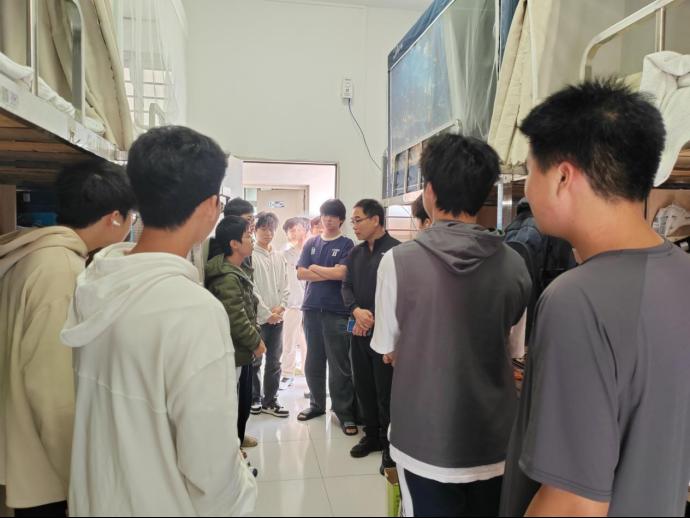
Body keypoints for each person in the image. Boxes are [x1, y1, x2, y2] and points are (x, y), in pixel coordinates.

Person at [500, 80, 690, 517]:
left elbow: (573, 504)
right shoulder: (682, 273)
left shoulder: (576, 301)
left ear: (563, 177)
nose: (527, 189)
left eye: (531, 171)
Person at [60, 126, 258, 516]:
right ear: (209, 206)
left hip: (99, 499)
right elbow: (211, 469)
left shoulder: (96, 282)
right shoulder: (193, 310)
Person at [371, 134, 531, 517]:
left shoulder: (397, 262)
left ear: (429, 191)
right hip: (493, 439)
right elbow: (514, 350)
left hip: (422, 438)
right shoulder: (515, 264)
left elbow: (387, 347)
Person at [0, 160, 136, 518]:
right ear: (115, 218)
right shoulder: (61, 271)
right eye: (131, 216)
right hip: (45, 468)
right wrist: (79, 478)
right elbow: (51, 389)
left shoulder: (34, 253)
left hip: (28, 452)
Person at [342, 199, 400, 475]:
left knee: (385, 391)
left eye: (358, 220)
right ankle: (372, 436)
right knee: (363, 386)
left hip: (385, 335)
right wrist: (356, 311)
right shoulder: (355, 253)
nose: (353, 226)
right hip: (359, 331)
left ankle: (389, 445)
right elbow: (346, 286)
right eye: (352, 221)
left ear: (375, 220)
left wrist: (372, 316)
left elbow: (400, 294)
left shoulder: (398, 252)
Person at [205, 216, 267, 449]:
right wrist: (256, 342)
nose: (252, 240)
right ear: (234, 244)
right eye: (247, 236)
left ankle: (236, 441)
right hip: (233, 349)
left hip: (240, 349)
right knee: (231, 402)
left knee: (240, 399)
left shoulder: (238, 269)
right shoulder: (227, 277)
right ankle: (230, 448)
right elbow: (236, 318)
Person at [296, 200, 357, 436]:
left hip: (336, 311)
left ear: (341, 220)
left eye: (333, 216)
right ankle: (316, 405)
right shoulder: (311, 242)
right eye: (325, 215)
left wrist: (314, 268)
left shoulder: (346, 244)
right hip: (311, 309)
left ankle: (344, 412)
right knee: (313, 360)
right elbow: (301, 274)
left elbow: (342, 273)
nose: (328, 219)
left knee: (339, 364)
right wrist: (327, 272)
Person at [250, 212, 290, 418]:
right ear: (255, 230)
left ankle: (270, 400)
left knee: (274, 362)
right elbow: (252, 288)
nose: (268, 233)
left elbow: (286, 285)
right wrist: (267, 313)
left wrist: (281, 307)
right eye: (263, 229)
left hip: (278, 319)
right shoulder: (250, 255)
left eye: (271, 229)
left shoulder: (279, 256)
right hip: (259, 319)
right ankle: (254, 398)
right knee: (255, 360)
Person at [280, 217, 310, 385]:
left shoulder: (312, 252)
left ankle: (306, 371)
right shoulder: (284, 255)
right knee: (289, 340)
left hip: (311, 304)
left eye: (297, 229)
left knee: (308, 341)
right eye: (290, 230)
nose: (294, 233)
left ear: (305, 231)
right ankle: (287, 373)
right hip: (293, 304)